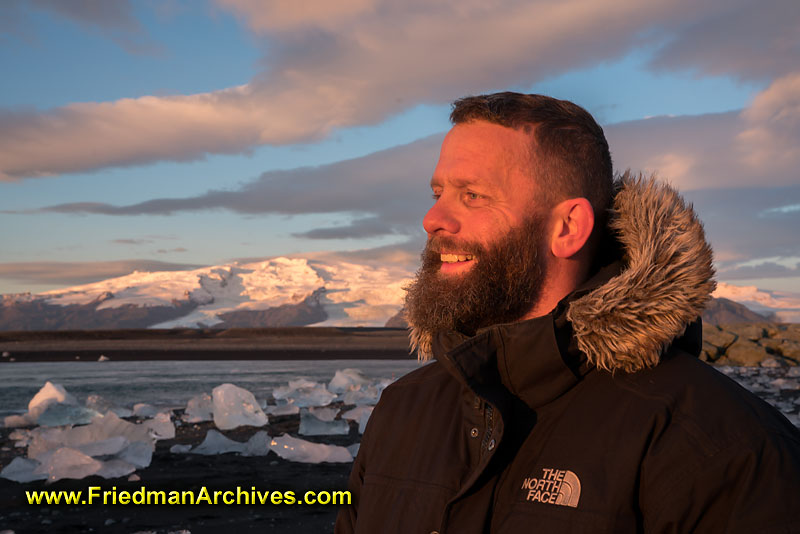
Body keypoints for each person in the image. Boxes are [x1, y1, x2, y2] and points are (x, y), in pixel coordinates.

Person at [335, 92, 800, 533]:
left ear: (568, 227)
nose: (432, 219)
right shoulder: (404, 410)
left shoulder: (722, 448)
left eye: (471, 195)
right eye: (438, 192)